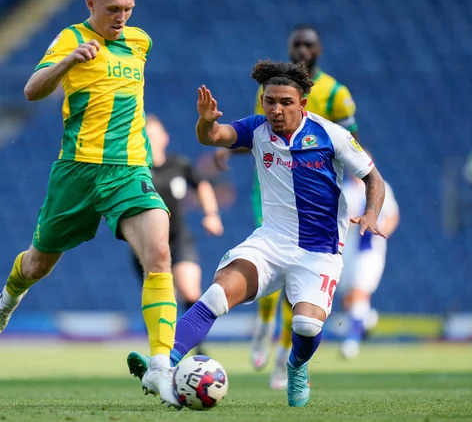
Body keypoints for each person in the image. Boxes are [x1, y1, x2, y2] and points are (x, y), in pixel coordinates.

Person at [127, 60, 386, 408]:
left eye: (285, 102)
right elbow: (214, 137)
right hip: (270, 243)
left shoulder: (331, 135)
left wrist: (370, 213)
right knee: (216, 295)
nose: (276, 110)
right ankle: (164, 364)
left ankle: (296, 366)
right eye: (269, 101)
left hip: (318, 252)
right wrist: (206, 122)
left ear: (302, 104)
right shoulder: (256, 130)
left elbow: (373, 177)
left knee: (307, 326)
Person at [0, 0, 178, 402]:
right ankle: (8, 299)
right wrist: (69, 61)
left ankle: (161, 367)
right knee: (37, 266)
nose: (121, 16)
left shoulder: (141, 42)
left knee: (160, 254)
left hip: (128, 170)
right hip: (77, 171)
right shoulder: (71, 38)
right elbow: (32, 90)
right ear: (91, 5)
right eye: (112, 9)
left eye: (127, 8)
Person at [216, 24, 360, 389]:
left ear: (319, 50)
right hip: (269, 189)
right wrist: (224, 147)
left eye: (308, 45)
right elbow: (257, 132)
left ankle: (284, 359)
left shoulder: (338, 95)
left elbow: (348, 144)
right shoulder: (271, 91)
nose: (302, 50)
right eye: (296, 44)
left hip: (313, 199)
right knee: (269, 257)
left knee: (298, 282)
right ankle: (262, 326)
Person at [131, 115, 224, 355]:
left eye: (154, 135)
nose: (150, 140)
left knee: (190, 290)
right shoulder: (135, 169)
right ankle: (161, 352)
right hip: (145, 244)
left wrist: (211, 214)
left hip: (179, 238)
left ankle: (199, 350)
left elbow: (201, 184)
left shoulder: (179, 165)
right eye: (145, 136)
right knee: (164, 301)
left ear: (165, 138)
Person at [339, 170, 399, 359]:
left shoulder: (381, 187)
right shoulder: (344, 190)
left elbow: (392, 215)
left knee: (359, 292)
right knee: (349, 299)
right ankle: (366, 318)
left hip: (369, 250)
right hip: (347, 249)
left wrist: (381, 232)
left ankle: (352, 341)